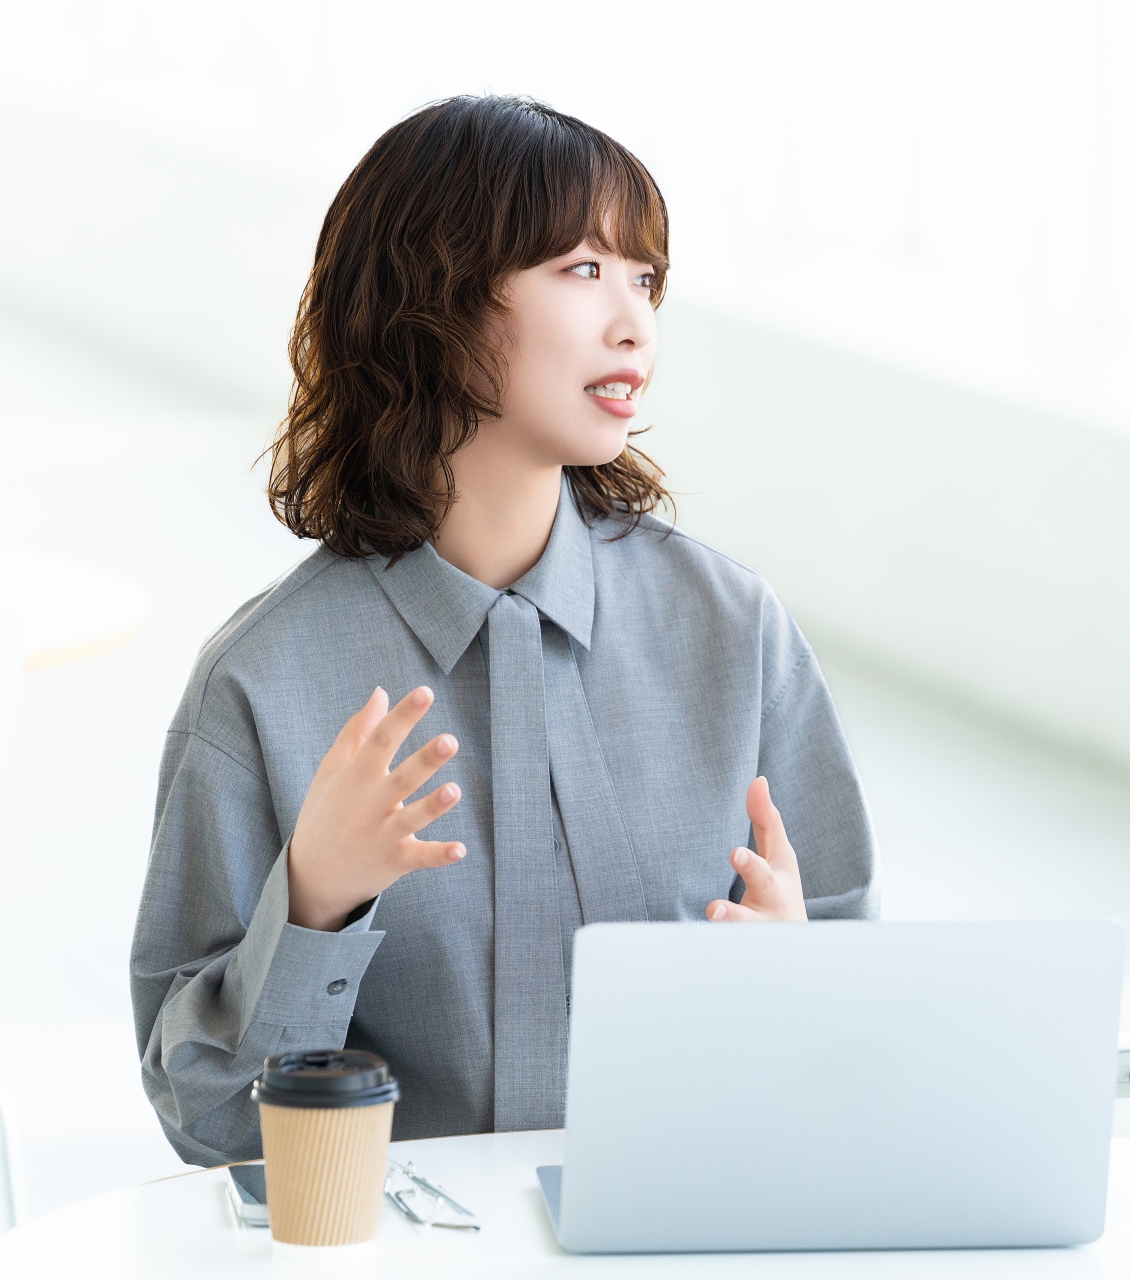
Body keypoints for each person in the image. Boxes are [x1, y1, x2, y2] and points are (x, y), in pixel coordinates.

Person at [131, 96, 878, 1167]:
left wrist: (798, 985)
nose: (635, 323)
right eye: (584, 269)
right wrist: (315, 905)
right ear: (433, 297)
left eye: (647, 280)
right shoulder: (261, 684)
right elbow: (207, 1123)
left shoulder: (735, 629)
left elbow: (860, 1030)